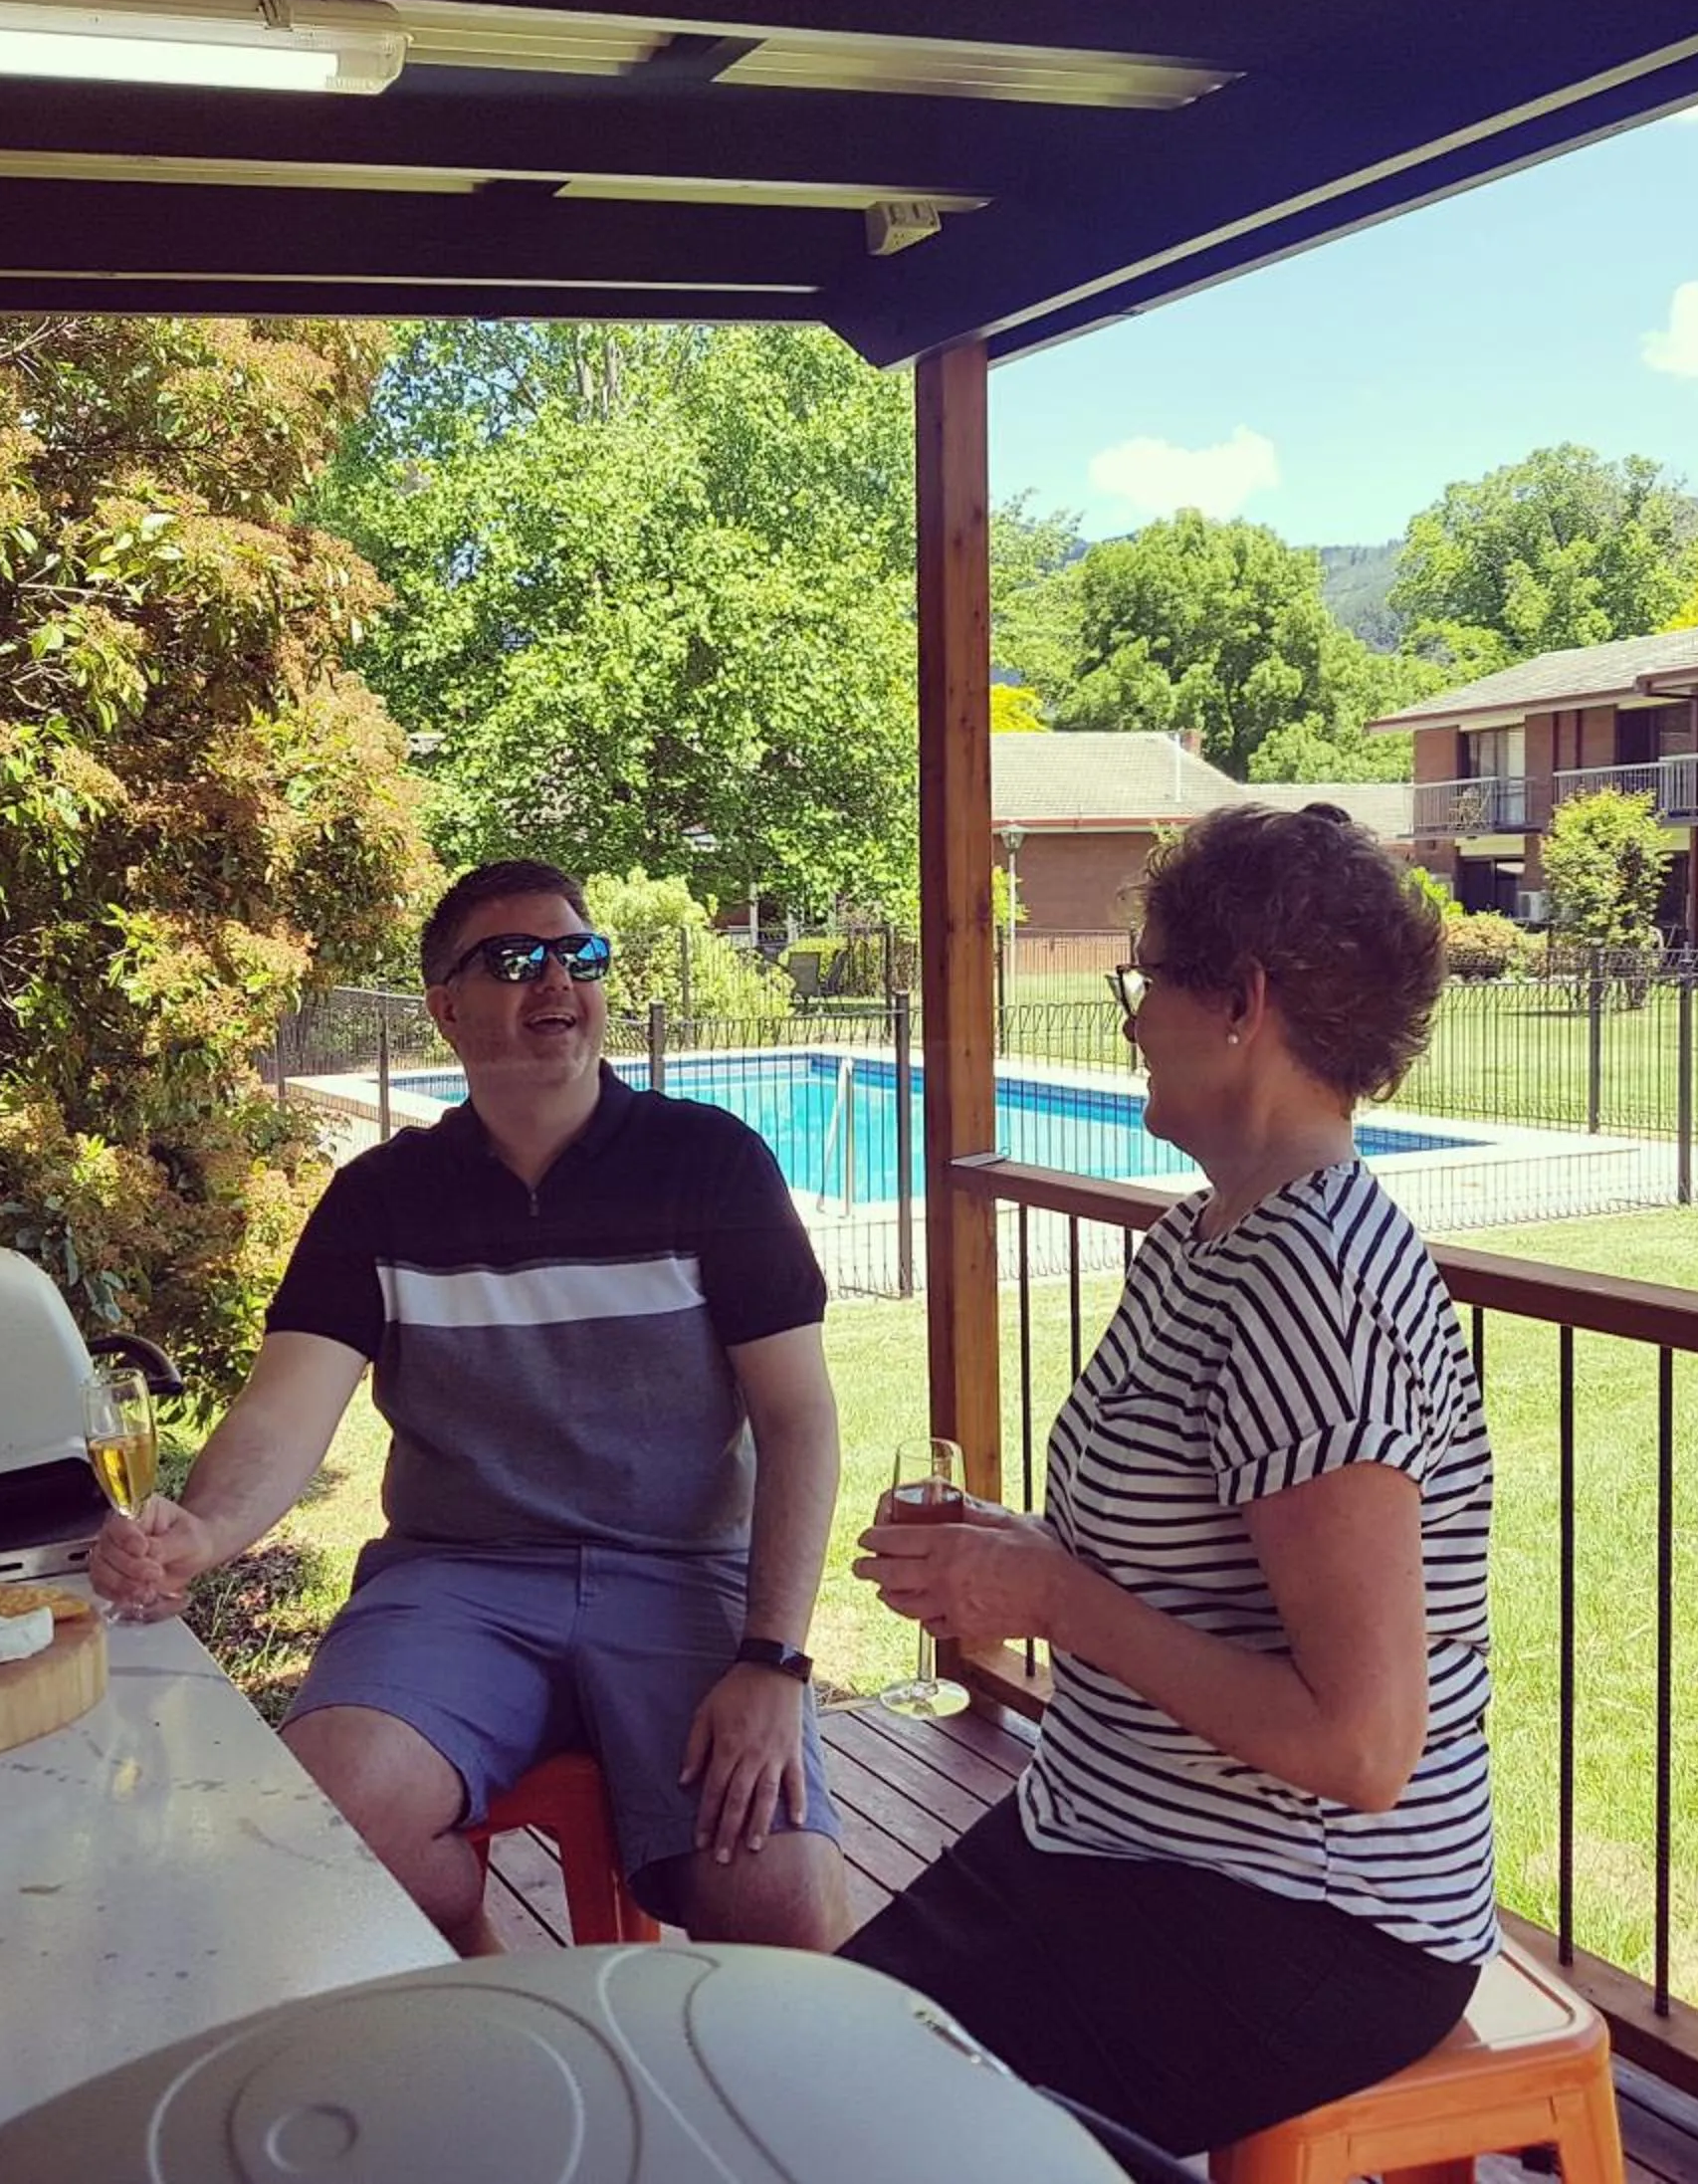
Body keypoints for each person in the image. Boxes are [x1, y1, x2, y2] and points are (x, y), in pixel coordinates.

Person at [844, 803, 1496, 2157]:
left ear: (1241, 1002)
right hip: (1109, 1840)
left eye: (1144, 983)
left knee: (842, 2113)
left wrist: (1052, 1596)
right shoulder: (1203, 1237)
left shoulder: (1314, 1291)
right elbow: (1166, 1559)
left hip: (1300, 1920)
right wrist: (1011, 1550)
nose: (1130, 1020)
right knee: (800, 2042)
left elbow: (1360, 1746)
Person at [94, 858, 849, 1955]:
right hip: (459, 1584)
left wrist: (773, 1660)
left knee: (783, 1904)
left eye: (579, 955)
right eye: (513, 959)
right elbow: (283, 1412)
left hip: (680, 1574)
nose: (558, 980)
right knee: (323, 1826)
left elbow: (800, 1422)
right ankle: (497, 1987)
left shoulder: (709, 1164)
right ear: (446, 1008)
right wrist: (203, 1531)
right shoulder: (381, 1200)